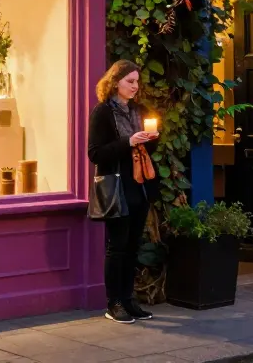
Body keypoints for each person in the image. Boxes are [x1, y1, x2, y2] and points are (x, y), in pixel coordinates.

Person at [89, 60, 160, 323]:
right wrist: (128, 141)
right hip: (115, 185)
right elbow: (95, 153)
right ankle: (114, 303)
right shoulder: (103, 112)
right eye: (130, 81)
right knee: (117, 247)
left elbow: (147, 151)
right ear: (114, 82)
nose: (135, 86)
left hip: (138, 186)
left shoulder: (138, 111)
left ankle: (129, 300)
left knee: (132, 247)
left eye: (137, 81)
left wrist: (150, 140)